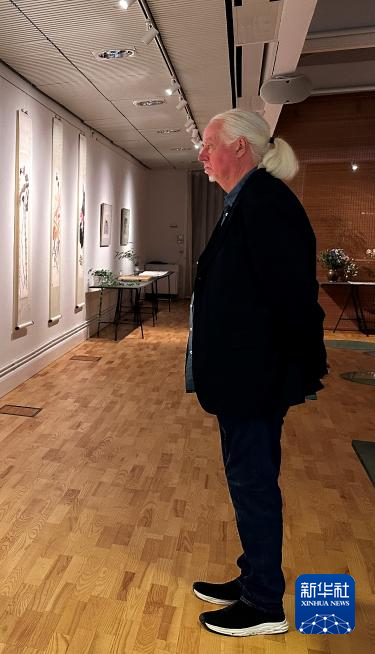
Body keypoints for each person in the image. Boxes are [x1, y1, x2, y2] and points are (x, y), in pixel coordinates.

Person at [187, 109, 326, 637]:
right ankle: (253, 579)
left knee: (254, 485)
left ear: (240, 147)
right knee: (248, 482)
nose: (202, 153)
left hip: (254, 380)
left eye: (209, 144)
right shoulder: (247, 201)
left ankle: (265, 603)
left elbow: (291, 299)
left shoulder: (266, 203)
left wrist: (279, 373)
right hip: (245, 379)